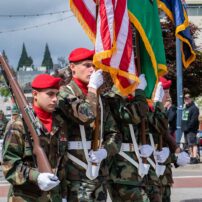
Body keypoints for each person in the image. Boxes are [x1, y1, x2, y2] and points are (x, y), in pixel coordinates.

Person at [57, 48, 122, 201]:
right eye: (87, 65)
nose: (92, 70)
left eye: (94, 66)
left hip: (98, 174)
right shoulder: (64, 93)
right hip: (74, 175)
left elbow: (114, 133)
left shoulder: (99, 98)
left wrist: (105, 151)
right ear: (72, 67)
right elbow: (85, 116)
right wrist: (92, 89)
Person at [2, 74, 68, 202]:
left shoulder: (60, 123)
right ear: (35, 94)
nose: (55, 99)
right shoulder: (19, 125)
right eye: (50, 94)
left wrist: (64, 194)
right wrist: (36, 177)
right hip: (26, 198)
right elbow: (9, 166)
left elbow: (62, 164)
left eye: (56, 94)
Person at [105, 74, 152, 202]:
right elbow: (132, 116)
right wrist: (140, 92)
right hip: (120, 168)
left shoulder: (123, 99)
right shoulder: (112, 98)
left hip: (131, 164)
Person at [182, 93, 200, 164]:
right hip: (186, 129)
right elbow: (183, 119)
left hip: (192, 130)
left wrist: (188, 127)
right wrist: (183, 127)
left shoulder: (194, 108)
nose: (186, 100)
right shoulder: (185, 108)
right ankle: (191, 157)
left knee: (193, 143)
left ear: (191, 99)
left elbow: (194, 120)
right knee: (188, 144)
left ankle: (195, 157)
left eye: (187, 98)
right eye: (185, 98)